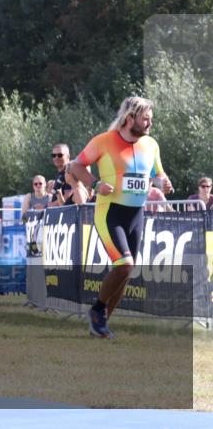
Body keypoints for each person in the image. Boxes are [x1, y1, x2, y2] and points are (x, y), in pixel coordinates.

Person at [68, 96, 173, 339]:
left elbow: (158, 173)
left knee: (126, 271)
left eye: (151, 119)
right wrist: (95, 184)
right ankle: (97, 311)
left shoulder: (151, 144)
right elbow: (76, 166)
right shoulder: (104, 141)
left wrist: (164, 182)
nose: (149, 124)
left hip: (136, 214)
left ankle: (101, 323)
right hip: (110, 212)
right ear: (129, 119)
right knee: (124, 264)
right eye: (145, 119)